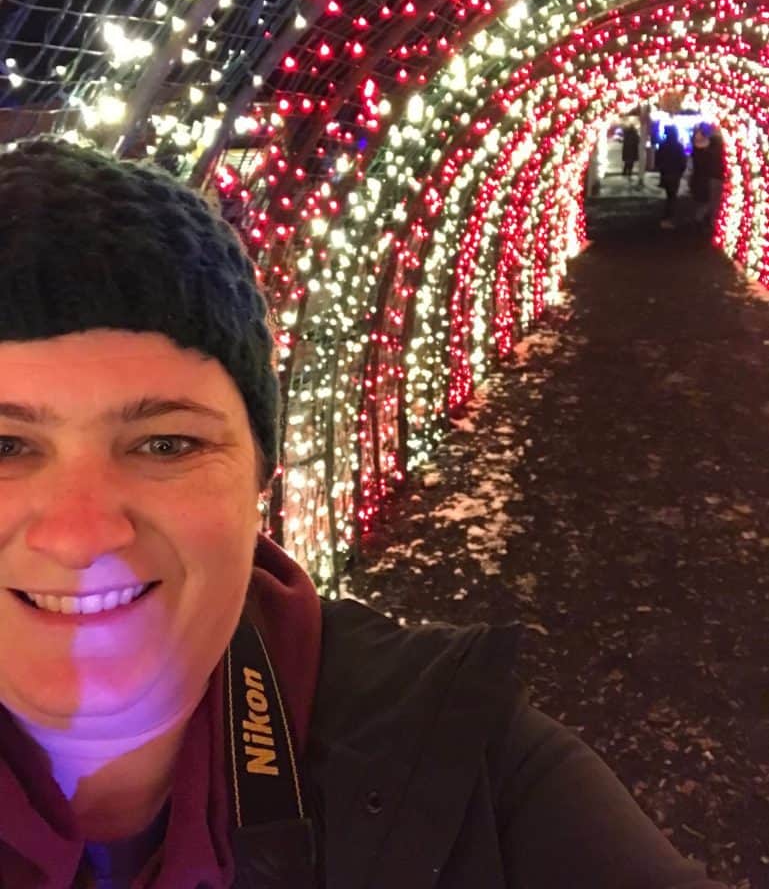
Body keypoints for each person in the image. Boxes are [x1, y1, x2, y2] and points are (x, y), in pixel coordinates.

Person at [0, 139, 730, 888]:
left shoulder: (461, 772)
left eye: (165, 442)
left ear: (260, 473)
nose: (81, 533)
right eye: (5, 444)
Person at [655, 125, 687, 229]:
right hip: (675, 173)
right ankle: (669, 218)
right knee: (672, 197)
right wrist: (681, 170)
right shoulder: (678, 146)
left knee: (670, 195)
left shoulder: (663, 145)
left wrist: (661, 168)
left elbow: (658, 158)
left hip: (666, 173)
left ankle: (666, 217)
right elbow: (683, 160)